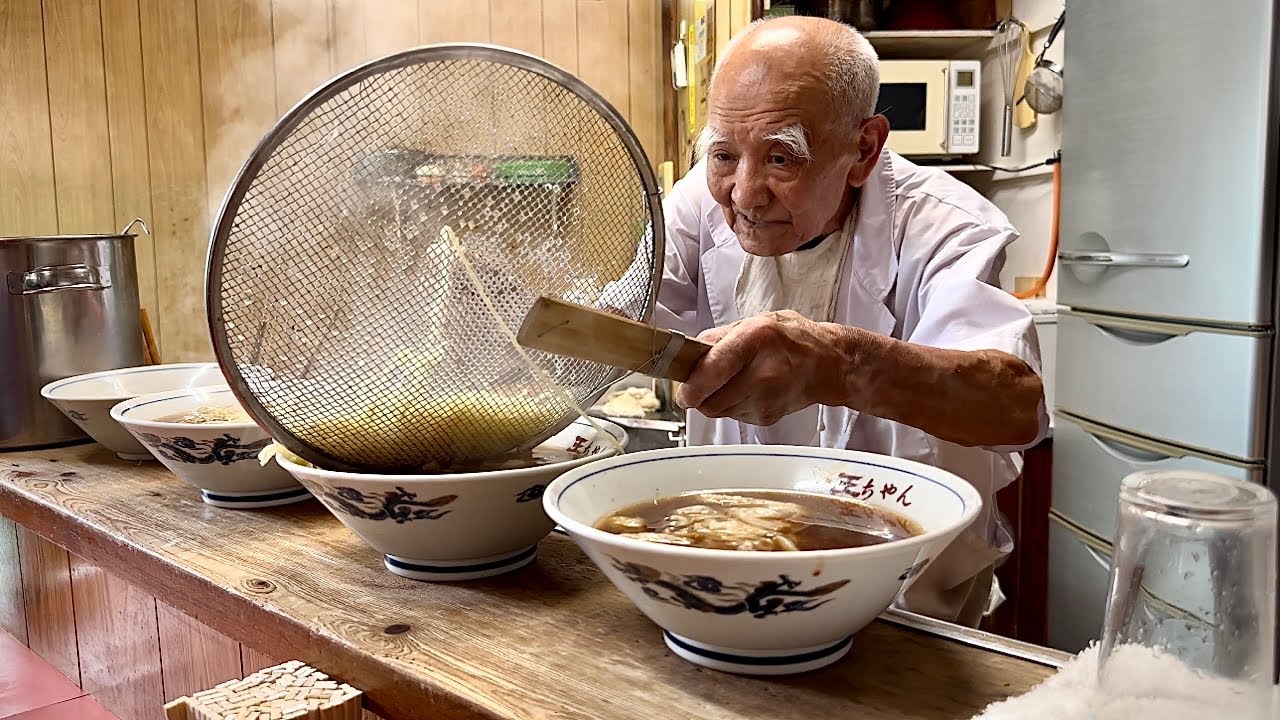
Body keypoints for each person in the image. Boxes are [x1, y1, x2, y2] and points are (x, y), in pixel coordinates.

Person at [635, 15, 1049, 627]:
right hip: (738, 579)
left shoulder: (944, 226)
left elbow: (1015, 407)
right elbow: (626, 314)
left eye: (782, 157)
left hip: (913, 602)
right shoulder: (704, 198)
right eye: (724, 153)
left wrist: (840, 364)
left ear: (863, 149)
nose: (744, 194)